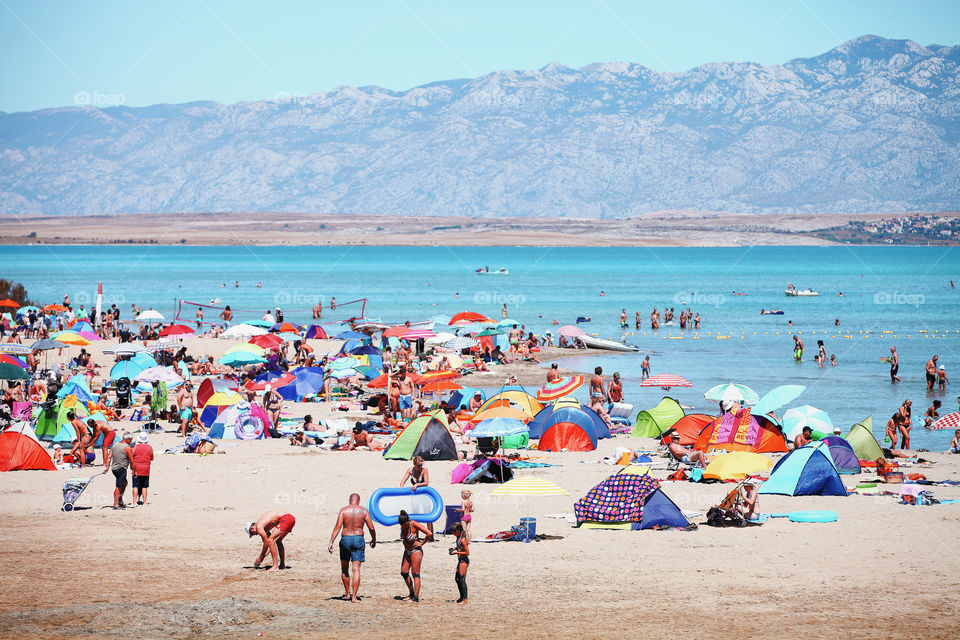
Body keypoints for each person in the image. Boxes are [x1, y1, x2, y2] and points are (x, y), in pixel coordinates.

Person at [328, 493, 377, 602]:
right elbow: (371, 527)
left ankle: (347, 594)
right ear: (358, 501)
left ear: (350, 500)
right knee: (356, 570)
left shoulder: (344, 510)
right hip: (358, 539)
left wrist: (331, 541)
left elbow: (338, 527)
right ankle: (354, 597)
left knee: (344, 569)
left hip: (345, 539)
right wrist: (374, 539)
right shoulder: (363, 511)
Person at [398, 510, 430, 602]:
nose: (403, 526)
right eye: (402, 525)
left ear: (408, 521)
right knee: (404, 572)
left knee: (415, 574)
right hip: (407, 551)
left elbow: (429, 533)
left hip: (416, 551)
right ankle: (411, 593)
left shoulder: (414, 524)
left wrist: (421, 543)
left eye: (404, 525)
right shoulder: (402, 525)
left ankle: (415, 597)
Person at [401, 456, 433, 539]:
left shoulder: (424, 470)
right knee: (415, 514)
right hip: (415, 495)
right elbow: (402, 482)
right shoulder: (410, 470)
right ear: (414, 464)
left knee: (428, 514)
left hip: (424, 494)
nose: (420, 467)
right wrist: (401, 490)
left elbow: (426, 482)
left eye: (421, 465)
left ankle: (431, 535)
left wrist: (417, 484)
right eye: (418, 465)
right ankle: (416, 535)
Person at [107, 432, 135, 509]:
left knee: (125, 483)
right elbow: (132, 460)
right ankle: (116, 504)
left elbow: (109, 457)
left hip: (114, 468)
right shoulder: (127, 447)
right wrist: (134, 470)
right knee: (119, 486)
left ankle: (120, 499)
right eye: (131, 439)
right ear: (128, 439)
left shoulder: (115, 444)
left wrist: (107, 468)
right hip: (121, 468)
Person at [449, 522, 470, 604]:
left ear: (458, 531)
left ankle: (465, 599)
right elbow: (460, 547)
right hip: (460, 560)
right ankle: (461, 597)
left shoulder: (463, 539)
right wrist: (455, 548)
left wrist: (456, 553)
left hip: (464, 560)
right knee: (457, 579)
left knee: (462, 579)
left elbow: (467, 553)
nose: (453, 534)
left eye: (454, 532)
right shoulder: (458, 537)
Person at [131, 432, 154, 505]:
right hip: (146, 468)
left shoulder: (135, 447)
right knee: (144, 486)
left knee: (135, 485)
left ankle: (134, 501)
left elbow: (131, 456)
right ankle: (145, 502)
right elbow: (152, 458)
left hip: (136, 468)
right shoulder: (149, 447)